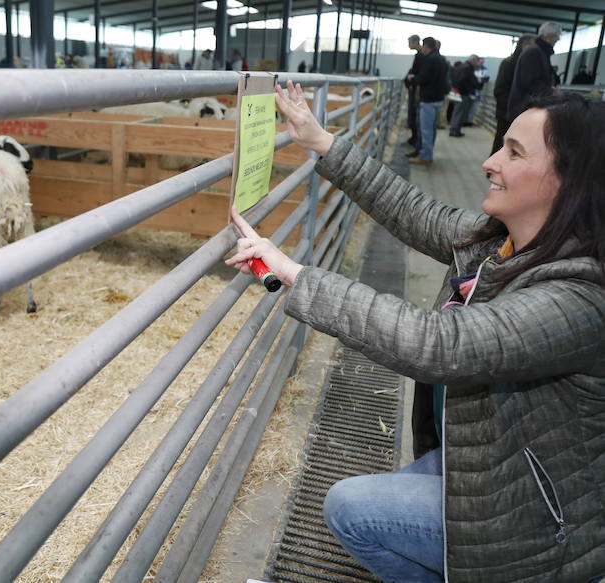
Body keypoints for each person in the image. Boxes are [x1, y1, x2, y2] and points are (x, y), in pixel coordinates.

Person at [226, 79, 605, 583]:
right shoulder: (513, 242)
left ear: (570, 180)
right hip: (493, 463)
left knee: (351, 509)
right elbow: (416, 212)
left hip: (531, 520)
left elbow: (437, 344)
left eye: (514, 152)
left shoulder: (580, 296)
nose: (489, 162)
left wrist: (294, 274)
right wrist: (320, 139)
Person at [507, 21, 562, 124]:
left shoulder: (539, 52)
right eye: (557, 35)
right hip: (525, 110)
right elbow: (530, 82)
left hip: (527, 109)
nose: (558, 39)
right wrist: (549, 91)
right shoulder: (534, 53)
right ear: (550, 35)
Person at [492, 34, 536, 155]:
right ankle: (493, 172)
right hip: (506, 113)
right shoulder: (509, 63)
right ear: (524, 46)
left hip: (521, 113)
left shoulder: (529, 66)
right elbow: (499, 90)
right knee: (501, 143)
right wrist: (513, 107)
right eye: (533, 46)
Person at [407, 37, 448, 165]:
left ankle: (425, 156)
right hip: (438, 98)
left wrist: (412, 78)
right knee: (431, 129)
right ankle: (427, 153)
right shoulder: (442, 59)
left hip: (428, 99)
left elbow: (423, 78)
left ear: (426, 46)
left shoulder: (430, 60)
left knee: (426, 130)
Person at [449, 55, 482, 137]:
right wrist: (469, 90)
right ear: (473, 60)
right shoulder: (467, 68)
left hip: (458, 92)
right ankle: (454, 131)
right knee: (459, 112)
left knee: (457, 112)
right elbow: (463, 81)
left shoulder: (464, 66)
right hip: (462, 93)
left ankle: (455, 130)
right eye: (477, 61)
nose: (477, 64)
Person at [404, 34, 424, 148]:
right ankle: (414, 138)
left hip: (416, 91)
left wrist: (412, 82)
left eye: (409, 42)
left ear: (415, 42)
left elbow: (418, 73)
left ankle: (415, 139)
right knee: (413, 115)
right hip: (415, 89)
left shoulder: (421, 56)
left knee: (414, 114)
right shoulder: (419, 55)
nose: (408, 45)